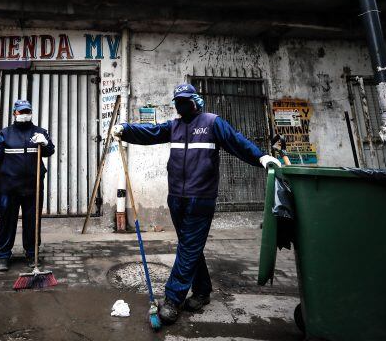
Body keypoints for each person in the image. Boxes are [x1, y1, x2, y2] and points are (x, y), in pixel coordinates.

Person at [112, 83, 280, 325]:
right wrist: (126, 130)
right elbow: (151, 132)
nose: (180, 105)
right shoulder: (175, 126)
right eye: (177, 101)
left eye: (184, 100)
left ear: (196, 101)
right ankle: (202, 291)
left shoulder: (212, 123)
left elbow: (237, 142)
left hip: (201, 198)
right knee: (190, 247)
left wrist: (261, 157)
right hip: (176, 199)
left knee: (188, 248)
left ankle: (173, 298)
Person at [0, 99, 55, 271]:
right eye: (21, 112)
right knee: (7, 221)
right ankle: (2, 256)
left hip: (33, 186)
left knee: (32, 221)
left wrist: (45, 143)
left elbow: (50, 151)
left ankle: (32, 254)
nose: (24, 115)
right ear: (14, 114)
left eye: (27, 111)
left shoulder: (40, 132)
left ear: (31, 113)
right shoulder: (5, 134)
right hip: (9, 187)